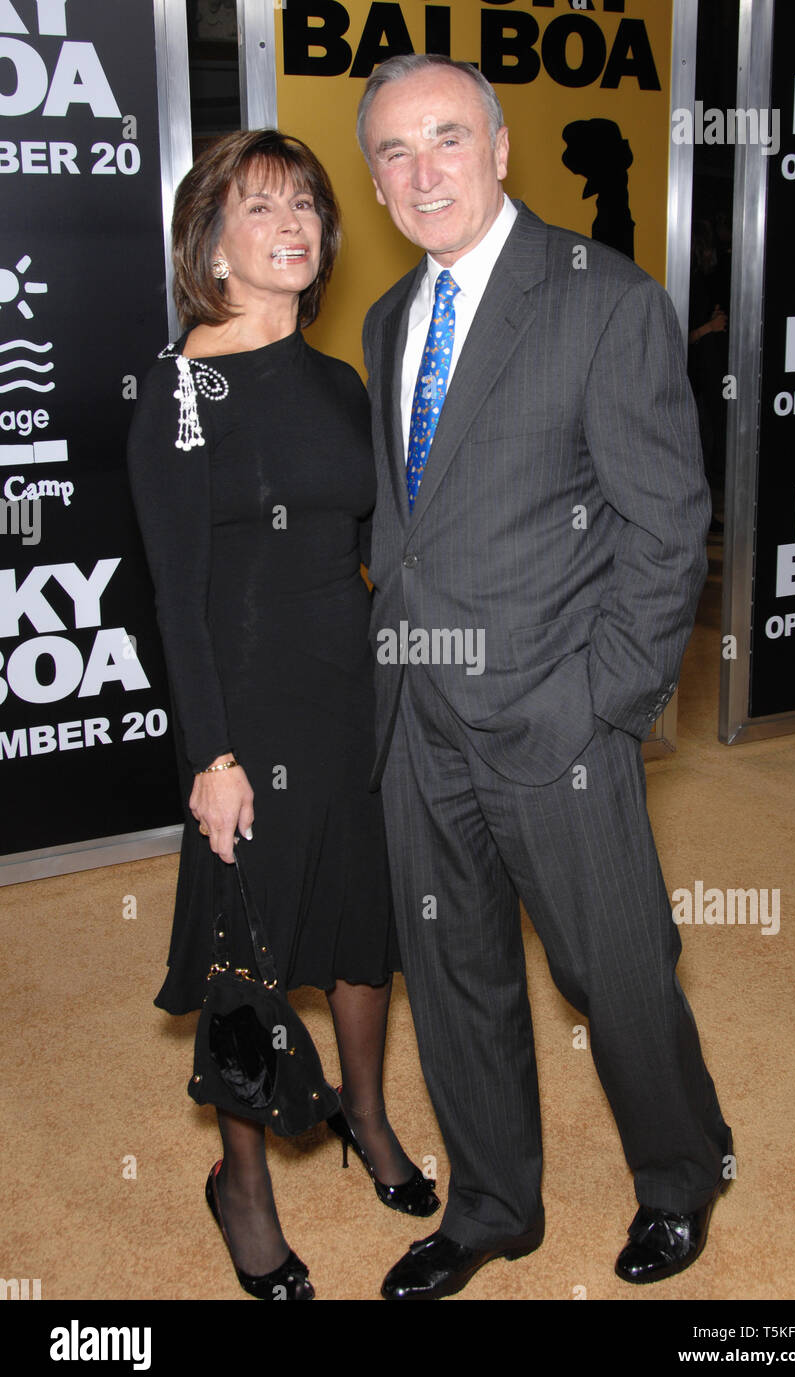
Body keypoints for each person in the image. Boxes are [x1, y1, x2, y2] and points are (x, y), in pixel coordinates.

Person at [356, 55, 733, 1301]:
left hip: (557, 710)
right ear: (374, 177)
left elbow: (666, 525)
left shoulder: (605, 299)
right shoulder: (385, 317)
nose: (422, 174)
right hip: (418, 714)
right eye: (395, 154)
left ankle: (681, 1173)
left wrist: (605, 703)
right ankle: (491, 1207)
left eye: (446, 141)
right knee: (452, 966)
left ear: (501, 148)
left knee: (611, 966)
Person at [127, 128, 438, 1302]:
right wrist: (209, 752)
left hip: (343, 685)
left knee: (362, 918)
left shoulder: (340, 377)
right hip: (244, 705)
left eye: (304, 203)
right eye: (259, 208)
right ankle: (241, 1186)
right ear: (210, 239)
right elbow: (175, 592)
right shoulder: (181, 388)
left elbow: (368, 548)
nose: (292, 223)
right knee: (242, 952)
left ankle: (363, 1109)